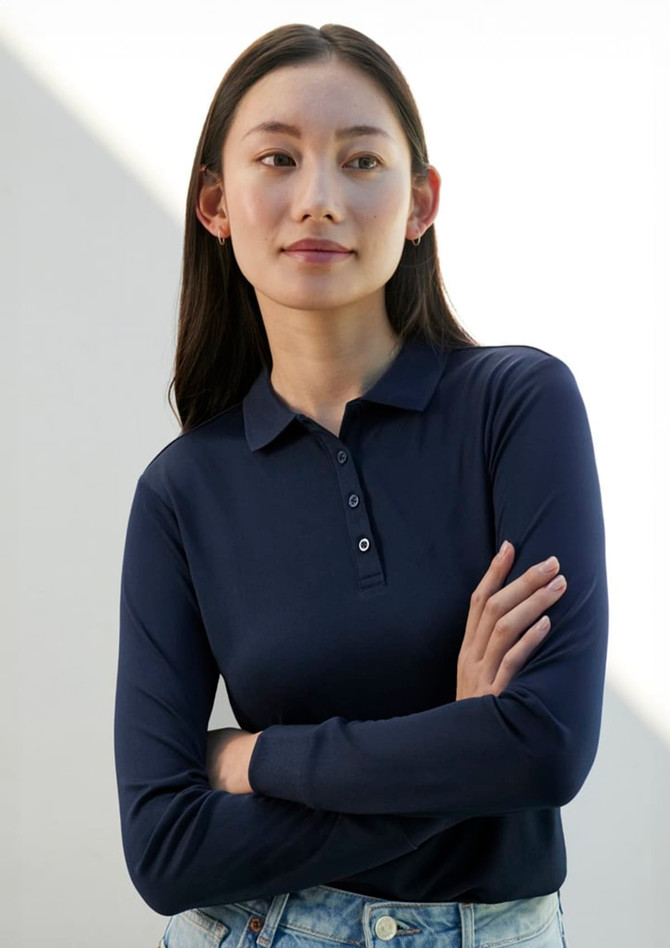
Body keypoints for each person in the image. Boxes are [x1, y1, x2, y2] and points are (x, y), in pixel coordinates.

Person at [113, 22, 608, 948]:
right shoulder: (181, 493)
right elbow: (166, 852)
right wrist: (461, 742)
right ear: (216, 205)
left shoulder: (518, 406)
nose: (319, 200)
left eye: (361, 161)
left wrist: (257, 758)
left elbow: (544, 750)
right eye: (278, 158)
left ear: (420, 202)